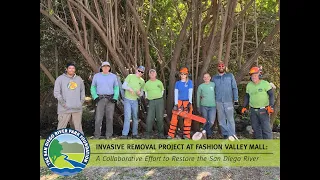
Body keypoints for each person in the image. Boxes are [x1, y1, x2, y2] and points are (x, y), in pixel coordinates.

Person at [241, 67, 274, 139]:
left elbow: (271, 95)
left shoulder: (265, 84)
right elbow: (247, 96)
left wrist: (271, 106)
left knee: (266, 129)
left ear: (259, 75)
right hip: (253, 110)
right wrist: (244, 106)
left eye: (255, 75)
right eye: (252, 76)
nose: (253, 77)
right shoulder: (249, 85)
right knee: (256, 129)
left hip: (264, 110)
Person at [53, 62, 85, 134]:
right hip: (64, 108)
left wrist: (80, 103)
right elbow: (56, 93)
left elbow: (82, 91)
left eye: (73, 68)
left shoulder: (79, 79)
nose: (71, 70)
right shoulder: (60, 79)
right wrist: (64, 104)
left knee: (78, 129)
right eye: (70, 68)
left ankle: (80, 143)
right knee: (61, 129)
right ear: (66, 69)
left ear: (75, 69)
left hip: (77, 108)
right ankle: (57, 143)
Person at [90, 61, 119, 139]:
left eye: (107, 66)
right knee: (98, 118)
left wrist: (115, 97)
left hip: (110, 99)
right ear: (101, 68)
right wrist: (95, 96)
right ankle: (97, 135)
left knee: (109, 118)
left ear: (109, 68)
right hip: (100, 98)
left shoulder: (113, 76)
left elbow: (116, 88)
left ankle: (109, 135)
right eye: (104, 66)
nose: (106, 68)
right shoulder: (96, 76)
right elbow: (93, 87)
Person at [212, 61, 239, 139]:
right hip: (218, 101)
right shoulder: (214, 78)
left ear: (225, 67)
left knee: (230, 119)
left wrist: (236, 100)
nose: (221, 67)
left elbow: (234, 88)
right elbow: (212, 90)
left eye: (222, 66)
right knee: (221, 120)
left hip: (228, 101)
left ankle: (232, 135)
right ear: (217, 68)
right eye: (219, 66)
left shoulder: (230, 76)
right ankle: (226, 135)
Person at [167, 67, 193, 139]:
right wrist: (176, 104)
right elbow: (176, 93)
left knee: (188, 118)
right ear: (180, 74)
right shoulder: (177, 83)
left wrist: (190, 102)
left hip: (187, 102)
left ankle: (186, 135)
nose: (183, 75)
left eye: (184, 74)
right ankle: (171, 134)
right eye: (181, 74)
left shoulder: (189, 82)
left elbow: (190, 93)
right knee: (174, 118)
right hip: (179, 102)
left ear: (187, 74)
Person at [121, 66, 146, 139]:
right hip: (127, 100)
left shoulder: (142, 81)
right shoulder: (130, 76)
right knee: (127, 117)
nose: (140, 72)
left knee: (135, 117)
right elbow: (123, 86)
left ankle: (135, 134)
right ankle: (124, 134)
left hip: (135, 100)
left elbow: (142, 93)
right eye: (139, 70)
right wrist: (129, 89)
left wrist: (139, 93)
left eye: (142, 72)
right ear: (136, 70)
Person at [143, 69, 165, 139]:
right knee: (150, 118)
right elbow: (145, 92)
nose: (152, 74)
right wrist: (147, 98)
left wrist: (159, 96)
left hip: (159, 101)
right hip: (151, 101)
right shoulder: (147, 83)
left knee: (160, 117)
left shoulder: (159, 82)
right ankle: (148, 133)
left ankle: (160, 133)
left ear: (155, 74)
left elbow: (162, 91)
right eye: (151, 73)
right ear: (149, 75)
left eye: (153, 73)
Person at [197, 73, 216, 139]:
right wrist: (198, 106)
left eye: (207, 77)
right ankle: (208, 135)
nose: (206, 78)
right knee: (205, 121)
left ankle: (204, 131)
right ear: (203, 79)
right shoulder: (201, 86)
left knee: (211, 122)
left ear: (210, 77)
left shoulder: (213, 84)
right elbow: (198, 96)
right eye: (205, 77)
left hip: (213, 106)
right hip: (204, 106)